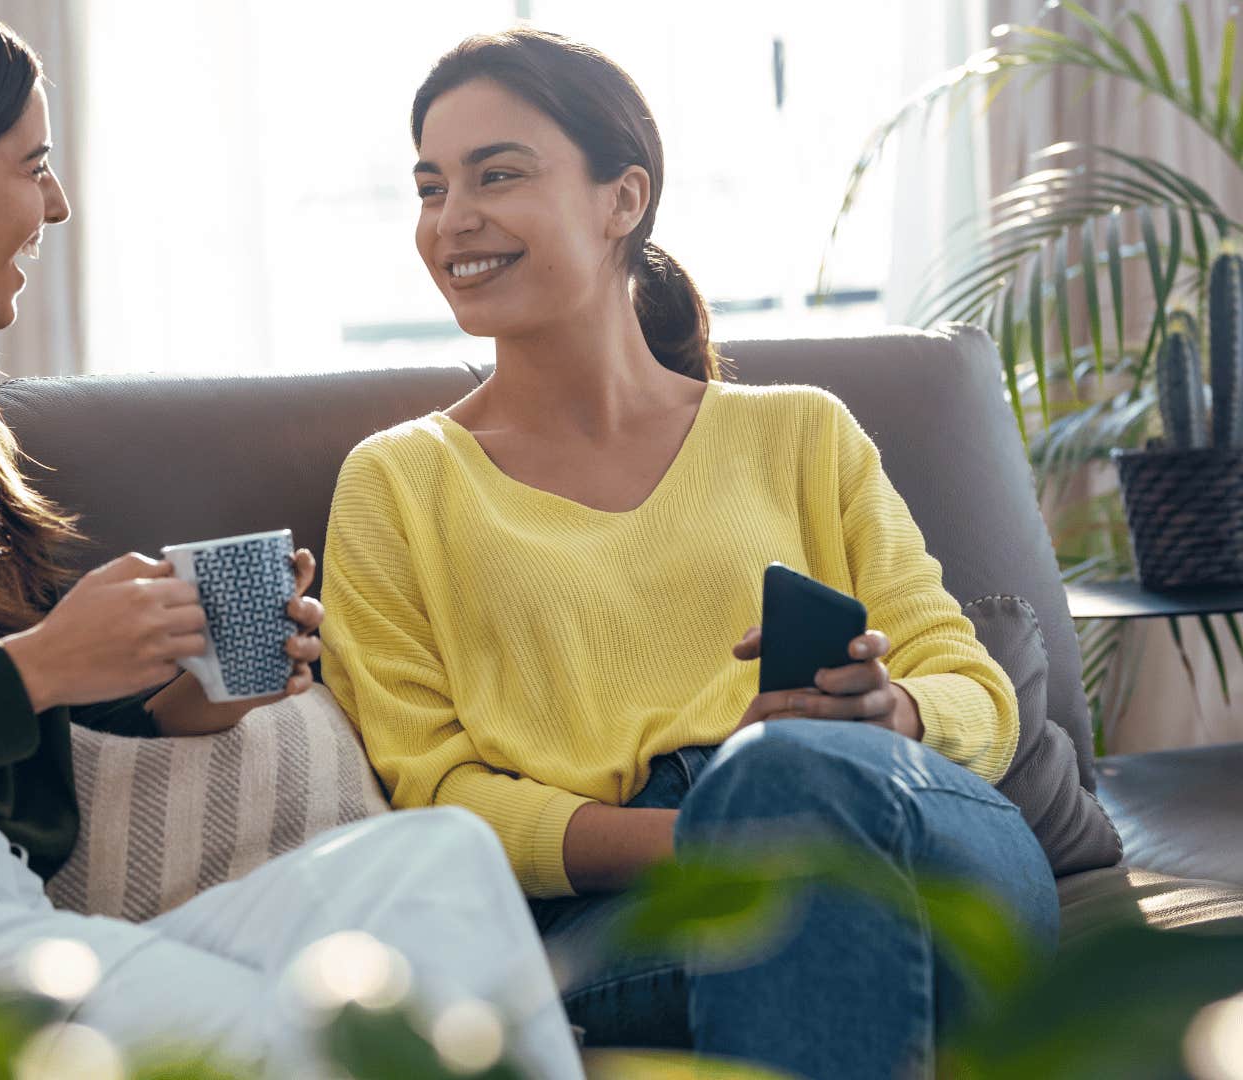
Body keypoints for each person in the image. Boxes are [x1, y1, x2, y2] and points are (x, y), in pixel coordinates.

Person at [0, 6, 581, 1076]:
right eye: (29, 164)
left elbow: (0, 710)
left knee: (441, 864)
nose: (57, 202)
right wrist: (38, 665)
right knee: (303, 1033)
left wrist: (184, 696)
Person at [319, 27, 1059, 1080]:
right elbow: (433, 789)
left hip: (910, 821)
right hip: (640, 896)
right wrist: (721, 836)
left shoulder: (802, 432)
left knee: (799, 775)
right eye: (432, 187)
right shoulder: (398, 483)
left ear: (624, 199)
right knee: (799, 859)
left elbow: (976, 693)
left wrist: (891, 713)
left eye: (498, 175)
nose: (453, 220)